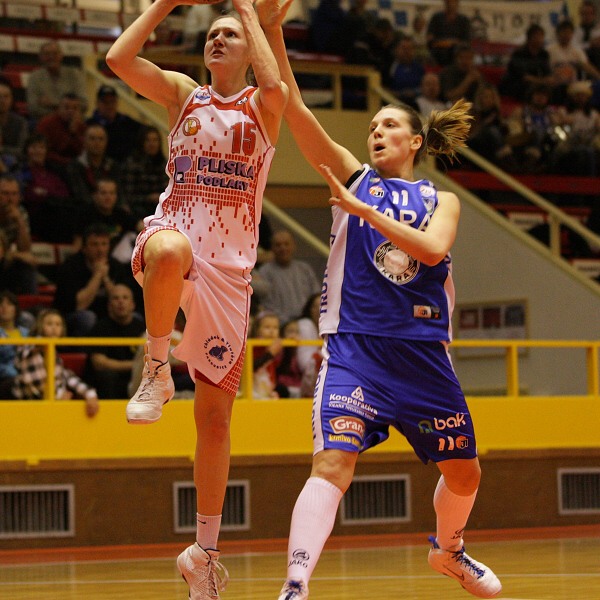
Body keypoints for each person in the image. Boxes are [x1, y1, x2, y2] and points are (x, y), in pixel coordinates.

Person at [257, 2, 502, 599]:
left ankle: (449, 551)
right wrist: (272, 32)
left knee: (465, 473)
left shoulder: (441, 200)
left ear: (415, 141)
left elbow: (433, 250)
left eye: (388, 125)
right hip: (356, 351)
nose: (375, 131)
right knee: (332, 465)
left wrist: (363, 213)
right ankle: (294, 587)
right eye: (371, 126)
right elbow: (294, 107)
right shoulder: (354, 178)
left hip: (422, 354)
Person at [105, 0, 287, 597]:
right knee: (167, 249)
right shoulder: (184, 94)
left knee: (214, 420)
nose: (217, 39)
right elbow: (118, 59)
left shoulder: (263, 106)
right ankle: (156, 368)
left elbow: (277, 87)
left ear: (249, 46)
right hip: (177, 240)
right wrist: (166, 4)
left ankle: (203, 553)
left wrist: (249, 12)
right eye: (211, 33)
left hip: (229, 275)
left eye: (229, 34)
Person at [11, 308, 99, 417]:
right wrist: (58, 397)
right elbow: (33, 381)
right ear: (40, 326)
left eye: (58, 324)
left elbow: (68, 376)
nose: (54, 328)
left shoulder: (55, 357)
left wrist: (90, 394)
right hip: (27, 410)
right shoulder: (28, 348)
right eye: (49, 324)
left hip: (48, 409)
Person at [52, 223, 136, 336]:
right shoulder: (70, 267)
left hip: (106, 315)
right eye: (94, 244)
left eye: (104, 244)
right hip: (72, 317)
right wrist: (97, 276)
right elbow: (79, 305)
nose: (100, 249)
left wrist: (105, 279)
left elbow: (121, 300)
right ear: (84, 248)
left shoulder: (116, 266)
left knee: (135, 317)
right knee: (88, 318)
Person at [86, 284, 145, 399]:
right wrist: (135, 365)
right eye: (116, 298)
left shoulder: (142, 328)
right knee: (107, 377)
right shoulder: (100, 328)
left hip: (136, 377)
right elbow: (99, 363)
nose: (121, 302)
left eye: (125, 298)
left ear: (133, 304)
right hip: (112, 379)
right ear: (109, 305)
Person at [13, 133, 73, 242]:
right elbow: (29, 195)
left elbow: (64, 193)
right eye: (34, 147)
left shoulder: (54, 171)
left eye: (41, 147)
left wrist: (45, 193)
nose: (38, 151)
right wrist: (48, 194)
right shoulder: (21, 170)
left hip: (55, 212)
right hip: (33, 214)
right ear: (27, 150)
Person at [258, 229, 321, 324]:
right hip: (279, 325)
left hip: (307, 323)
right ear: (272, 248)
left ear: (293, 246)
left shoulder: (305, 269)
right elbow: (266, 303)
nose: (283, 248)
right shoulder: (264, 272)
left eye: (286, 244)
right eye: (278, 245)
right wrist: (287, 323)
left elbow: (316, 297)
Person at [117, 125, 169, 222]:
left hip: (161, 209)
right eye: (148, 140)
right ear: (141, 143)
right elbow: (128, 196)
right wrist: (149, 198)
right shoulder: (132, 164)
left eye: (155, 140)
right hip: (137, 211)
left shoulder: (164, 164)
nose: (152, 144)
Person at [25, 40, 87, 122]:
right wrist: (69, 107)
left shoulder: (74, 74)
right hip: (45, 122)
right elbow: (33, 108)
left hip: (72, 121)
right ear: (41, 57)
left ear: (61, 55)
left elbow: (84, 104)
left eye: (55, 53)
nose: (51, 57)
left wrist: (52, 104)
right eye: (47, 54)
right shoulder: (35, 77)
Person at [0, 174, 38, 294]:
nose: (10, 199)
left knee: (27, 267)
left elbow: (25, 249)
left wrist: (19, 221)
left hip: (5, 261)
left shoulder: (20, 212)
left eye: (14, 194)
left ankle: (31, 304)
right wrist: (15, 255)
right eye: (5, 193)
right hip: (3, 257)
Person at [86, 85, 144, 163]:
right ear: (97, 103)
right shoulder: (89, 124)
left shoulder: (126, 122)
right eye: (105, 102)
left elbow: (145, 132)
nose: (109, 106)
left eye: (112, 101)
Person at [499, 23, 554, 103]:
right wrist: (542, 81)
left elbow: (548, 74)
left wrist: (547, 80)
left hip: (538, 82)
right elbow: (525, 77)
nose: (540, 39)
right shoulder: (519, 54)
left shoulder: (544, 54)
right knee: (528, 87)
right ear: (529, 37)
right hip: (518, 84)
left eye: (541, 36)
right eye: (537, 36)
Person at [66, 123, 118, 207]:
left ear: (106, 142)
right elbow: (81, 195)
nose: (97, 143)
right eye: (92, 138)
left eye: (101, 139)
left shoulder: (112, 165)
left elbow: (119, 193)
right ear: (84, 142)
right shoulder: (75, 166)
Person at [35, 93, 86, 167]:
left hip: (75, 164)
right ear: (59, 108)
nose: (70, 111)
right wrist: (67, 162)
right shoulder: (46, 124)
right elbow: (44, 152)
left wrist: (74, 133)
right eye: (66, 108)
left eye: (75, 108)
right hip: (52, 164)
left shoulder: (81, 126)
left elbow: (82, 151)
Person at [0, 290, 29, 399]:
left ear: (16, 309)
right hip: (5, 378)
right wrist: (15, 373)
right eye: (0, 304)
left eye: (9, 304)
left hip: (27, 375)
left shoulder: (27, 333)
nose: (4, 307)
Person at [426, 0, 471, 67]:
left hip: (457, 55)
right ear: (445, 2)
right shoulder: (436, 18)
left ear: (457, 3)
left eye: (453, 1)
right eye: (449, 1)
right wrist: (445, 43)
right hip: (438, 53)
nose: (451, 4)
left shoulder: (464, 20)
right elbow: (430, 39)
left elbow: (466, 41)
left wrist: (452, 43)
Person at [0, 80, 28, 163]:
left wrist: (2, 149)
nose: (2, 100)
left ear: (11, 99)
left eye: (6, 97)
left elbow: (23, 150)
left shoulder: (21, 122)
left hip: (14, 164)